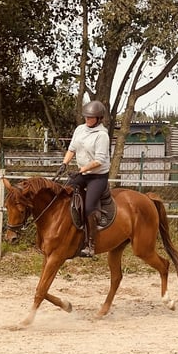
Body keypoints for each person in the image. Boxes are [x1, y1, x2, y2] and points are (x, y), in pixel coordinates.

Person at [56, 100, 110, 257]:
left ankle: (91, 244)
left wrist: (82, 170)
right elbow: (71, 148)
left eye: (90, 117)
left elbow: (99, 160)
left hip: (97, 177)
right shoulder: (80, 129)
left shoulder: (102, 135)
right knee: (63, 195)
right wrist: (64, 164)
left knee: (88, 207)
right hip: (82, 173)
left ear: (99, 118)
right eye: (86, 116)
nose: (87, 119)